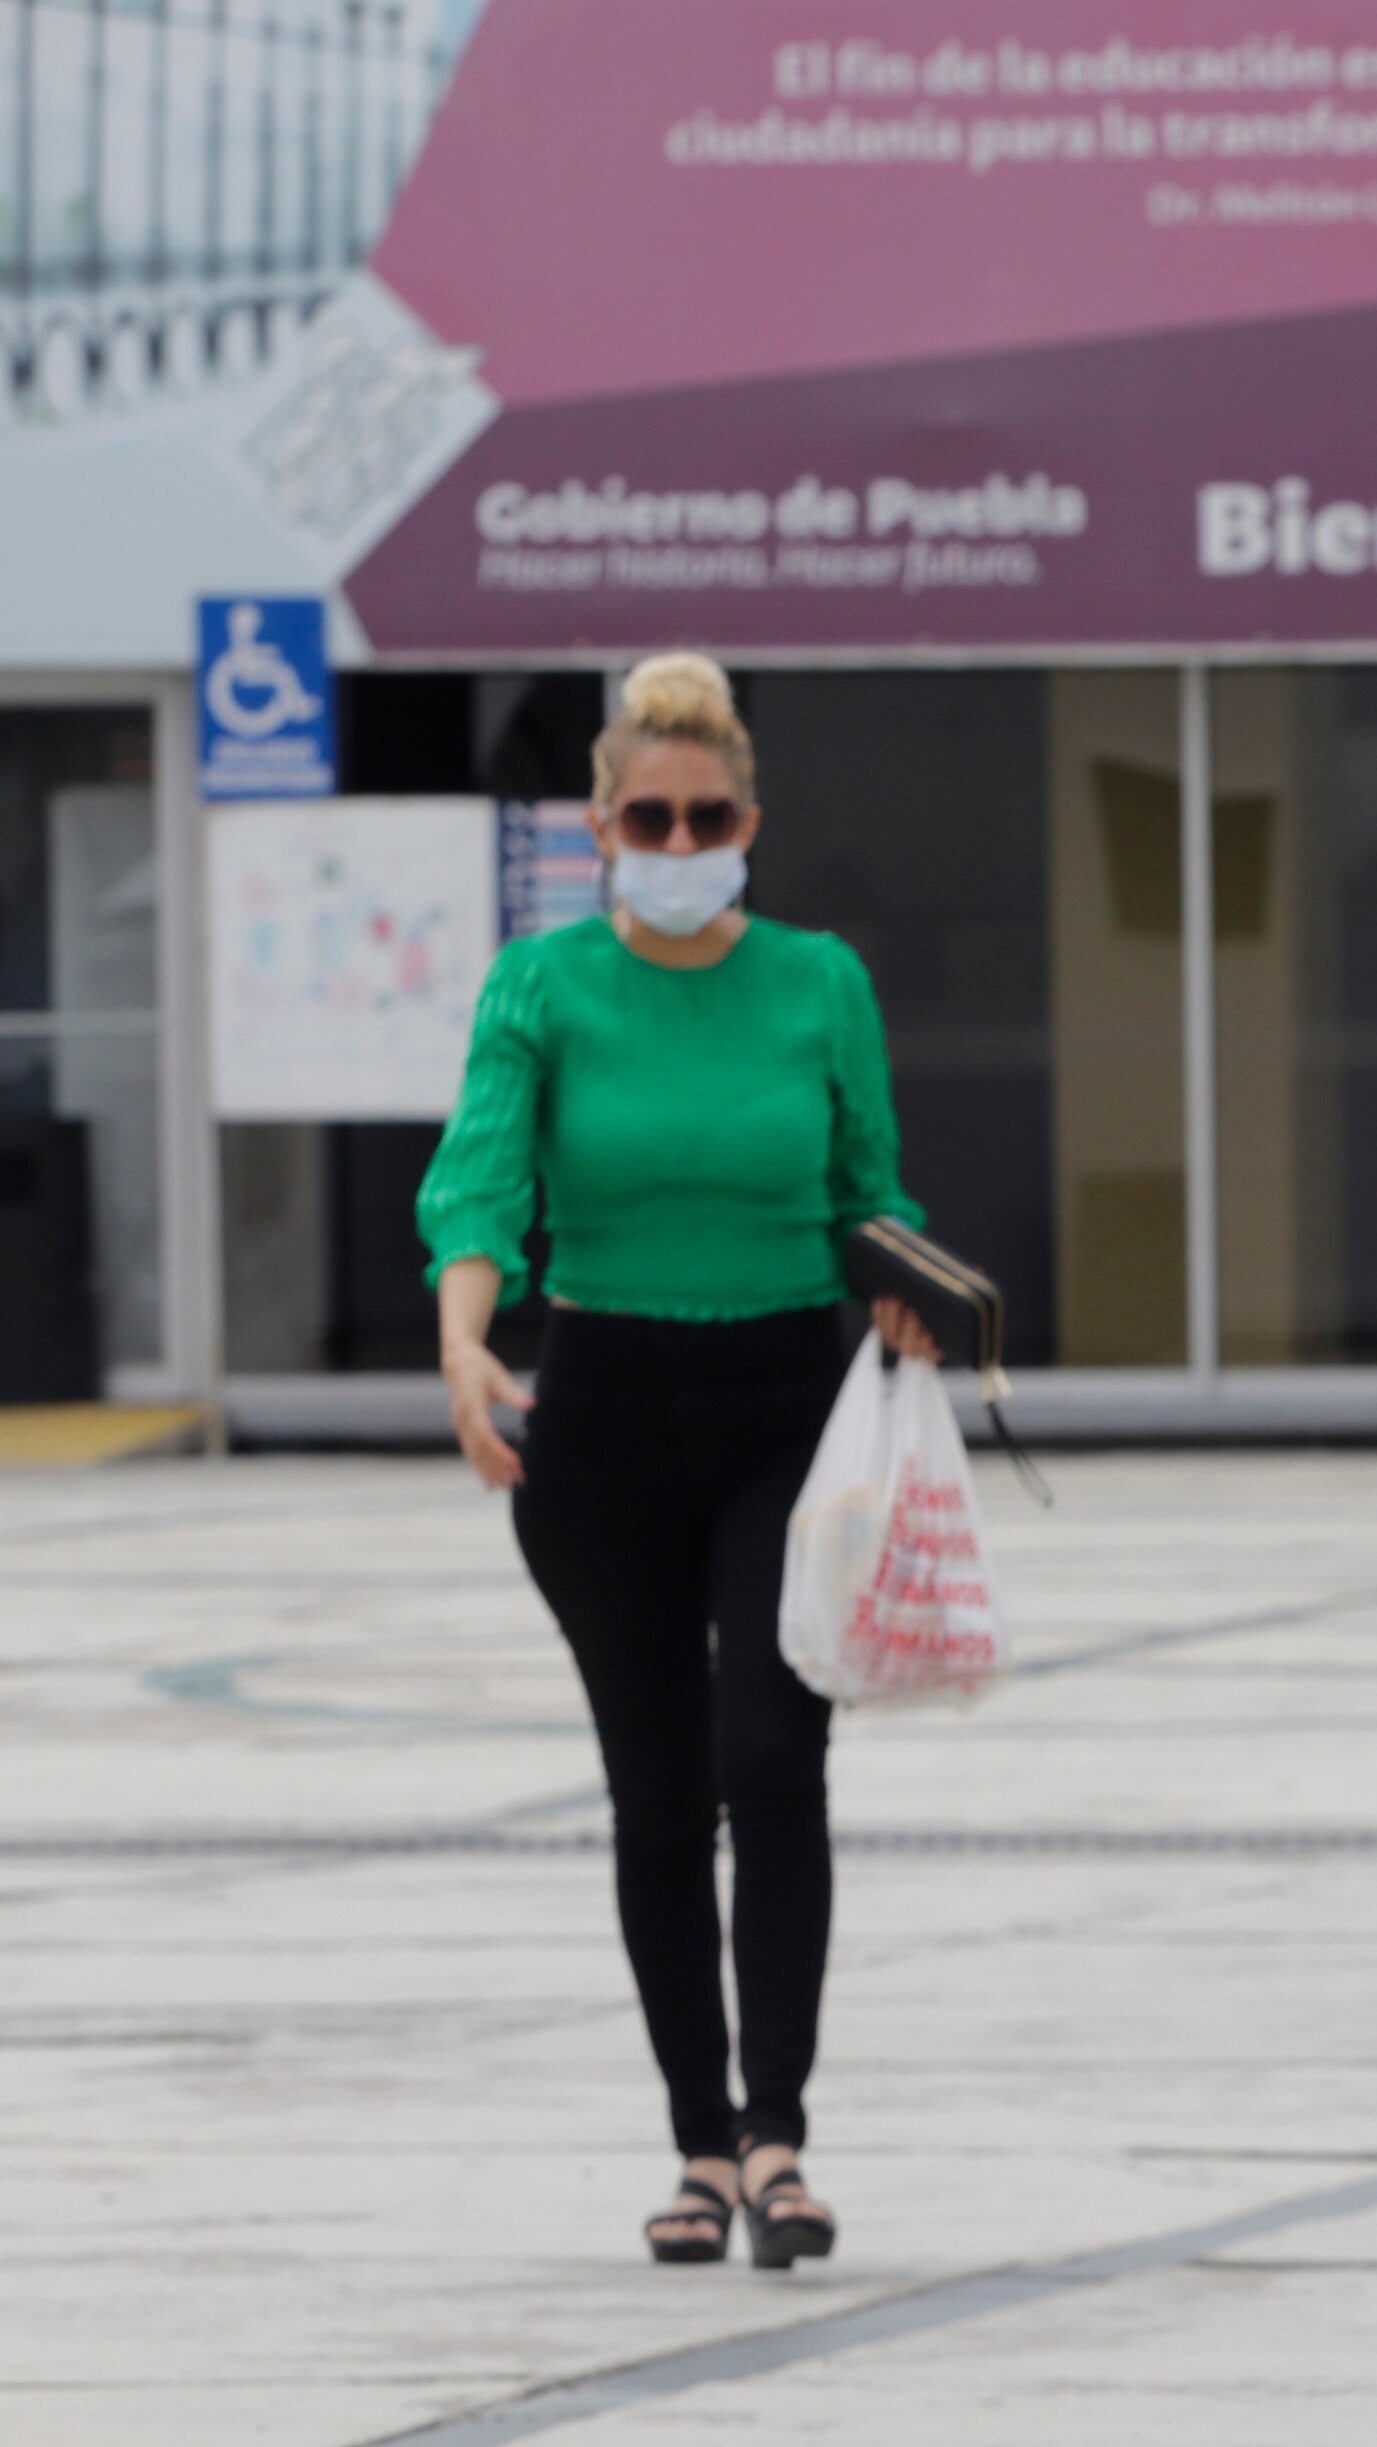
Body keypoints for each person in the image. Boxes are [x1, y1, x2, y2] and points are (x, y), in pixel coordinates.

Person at [414, 651, 941, 2271]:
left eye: (708, 811)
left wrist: (911, 1289)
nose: (679, 831)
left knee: (773, 1758)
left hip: (790, 1397)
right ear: (599, 824)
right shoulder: (543, 983)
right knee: (659, 1787)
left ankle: (781, 2133)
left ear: (751, 820)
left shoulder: (817, 978)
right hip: (605, 1409)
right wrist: (463, 1333)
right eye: (650, 811)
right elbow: (482, 1180)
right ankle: (697, 2145)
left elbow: (874, 1185)